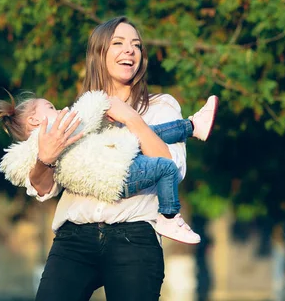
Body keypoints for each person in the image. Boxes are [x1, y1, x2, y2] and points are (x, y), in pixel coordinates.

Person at [15, 16, 200, 300]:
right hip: (73, 240)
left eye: (136, 45)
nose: (130, 50)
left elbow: (171, 168)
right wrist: (45, 159)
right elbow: (43, 188)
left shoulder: (162, 106)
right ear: (98, 54)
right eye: (118, 43)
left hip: (135, 238)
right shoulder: (80, 113)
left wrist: (131, 118)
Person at [0, 91, 219, 244]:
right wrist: (103, 102)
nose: (59, 109)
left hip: (117, 160)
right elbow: (86, 112)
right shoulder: (54, 130)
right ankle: (169, 216)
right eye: (50, 107)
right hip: (114, 177)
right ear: (34, 121)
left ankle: (193, 125)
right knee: (165, 167)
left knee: (146, 134)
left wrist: (124, 117)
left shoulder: (161, 103)